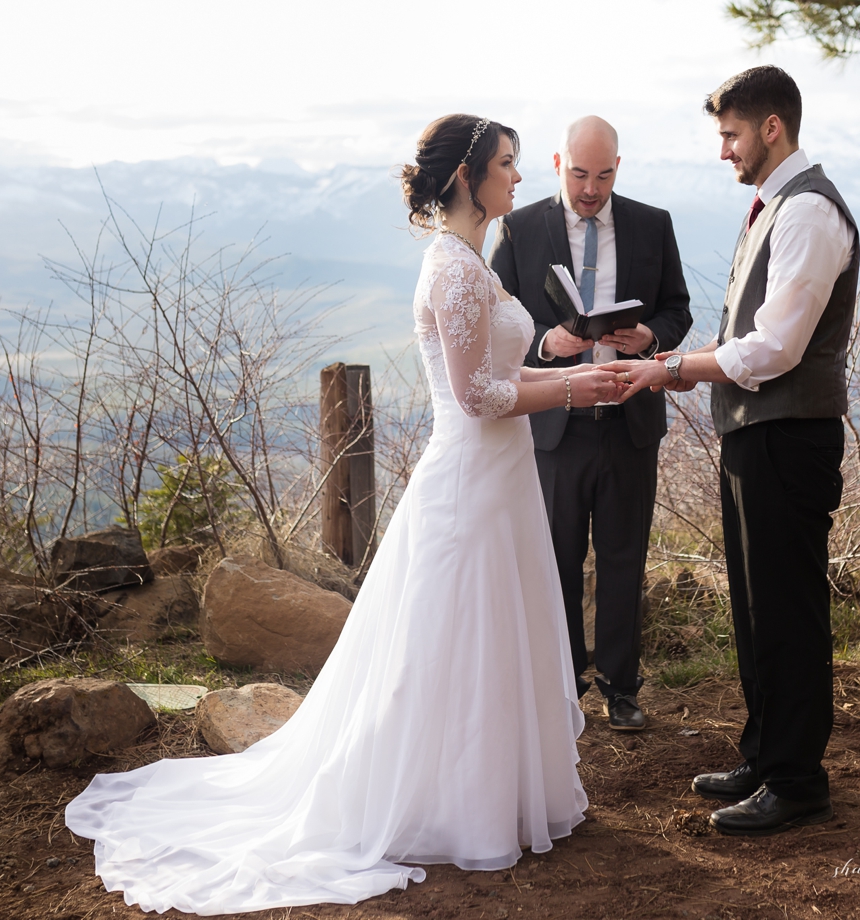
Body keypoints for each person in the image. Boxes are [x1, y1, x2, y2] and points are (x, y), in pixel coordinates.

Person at [64, 114, 618, 913]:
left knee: (492, 635)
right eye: (507, 163)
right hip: (469, 483)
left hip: (502, 481)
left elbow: (501, 373)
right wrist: (571, 387)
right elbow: (476, 397)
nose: (518, 176)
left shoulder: (471, 261)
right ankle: (447, 803)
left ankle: (494, 793)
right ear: (467, 177)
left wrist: (567, 373)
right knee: (452, 640)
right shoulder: (455, 271)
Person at [602, 65, 857, 836]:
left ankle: (797, 779)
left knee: (787, 610)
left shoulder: (808, 212)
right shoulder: (776, 207)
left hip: (789, 437)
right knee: (755, 608)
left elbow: (775, 349)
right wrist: (681, 367)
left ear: (771, 128)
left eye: (731, 134)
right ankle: (765, 756)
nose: (724, 150)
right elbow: (754, 342)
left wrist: (675, 367)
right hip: (756, 434)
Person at [487, 116, 694, 732]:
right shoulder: (520, 228)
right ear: (558, 164)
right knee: (556, 559)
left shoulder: (653, 224)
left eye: (603, 176)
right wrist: (546, 344)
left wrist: (650, 334)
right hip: (555, 425)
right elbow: (493, 323)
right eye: (579, 174)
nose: (590, 189)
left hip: (630, 421)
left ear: (617, 169)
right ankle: (562, 684)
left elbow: (678, 308)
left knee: (625, 558)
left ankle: (622, 688)